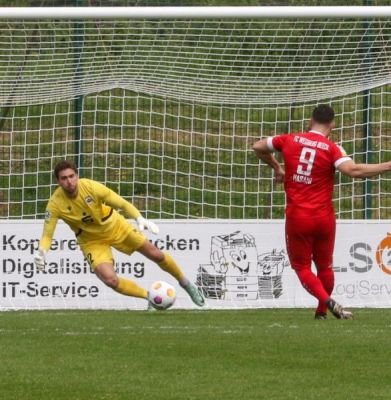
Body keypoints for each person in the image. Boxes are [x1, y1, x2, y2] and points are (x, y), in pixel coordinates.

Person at [253, 104, 391, 320]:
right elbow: (352, 171)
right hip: (324, 218)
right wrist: (388, 165)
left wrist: (277, 167)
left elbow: (258, 146)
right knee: (325, 266)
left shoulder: (288, 139)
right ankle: (321, 313)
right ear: (332, 125)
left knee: (301, 267)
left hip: (298, 217)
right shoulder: (332, 148)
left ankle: (328, 303)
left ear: (310, 121)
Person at [34, 160, 205, 308]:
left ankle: (186, 284)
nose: (69, 181)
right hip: (91, 240)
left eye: (72, 176)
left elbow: (121, 203)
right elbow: (47, 235)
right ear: (58, 181)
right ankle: (150, 298)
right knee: (110, 280)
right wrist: (43, 252)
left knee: (157, 255)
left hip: (115, 226)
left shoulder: (91, 187)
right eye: (64, 178)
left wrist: (139, 218)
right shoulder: (55, 204)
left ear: (77, 176)